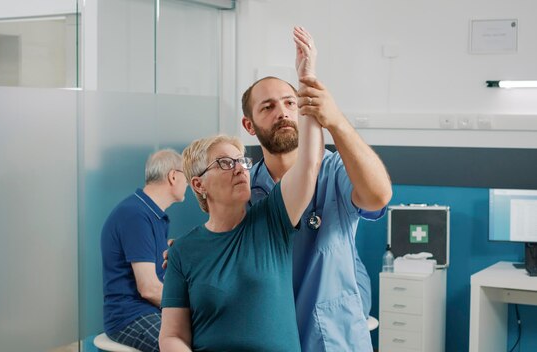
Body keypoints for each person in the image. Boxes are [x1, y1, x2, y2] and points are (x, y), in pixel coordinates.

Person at [159, 27, 325, 352]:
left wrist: (307, 81)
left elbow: (309, 163)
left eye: (241, 161)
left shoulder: (272, 221)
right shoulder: (183, 252)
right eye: (224, 163)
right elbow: (172, 335)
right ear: (198, 185)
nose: (238, 168)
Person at [240, 37, 392, 352]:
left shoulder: (335, 171)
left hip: (331, 336)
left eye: (290, 102)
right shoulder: (244, 189)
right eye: (267, 107)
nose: (282, 112)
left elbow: (378, 196)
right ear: (249, 125)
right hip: (268, 335)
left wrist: (335, 121)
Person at [101, 149, 188, 352]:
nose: (189, 184)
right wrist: (190, 307)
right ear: (173, 176)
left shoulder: (153, 215)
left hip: (148, 310)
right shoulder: (136, 215)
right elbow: (148, 288)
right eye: (187, 176)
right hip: (130, 315)